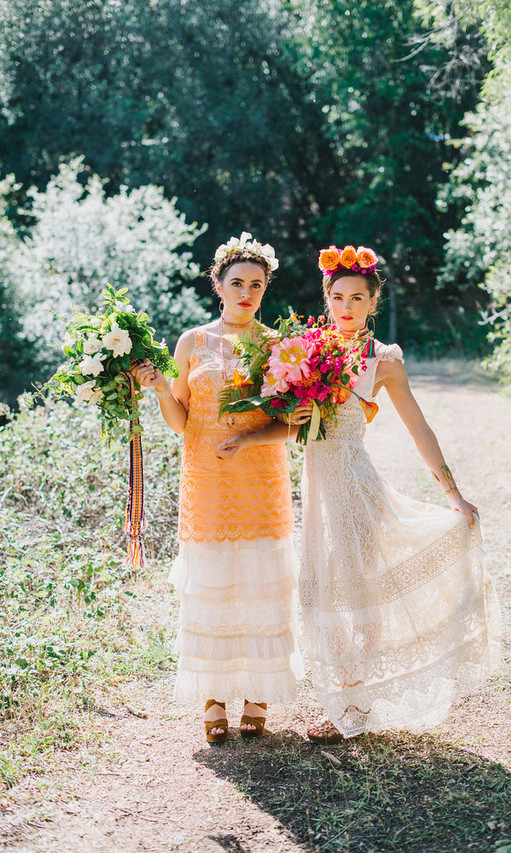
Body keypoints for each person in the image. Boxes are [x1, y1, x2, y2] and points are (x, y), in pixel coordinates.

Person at [299, 244, 501, 743]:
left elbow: (419, 428)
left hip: (352, 481)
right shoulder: (305, 351)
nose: (347, 307)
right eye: (338, 297)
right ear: (326, 299)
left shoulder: (382, 359)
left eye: (358, 298)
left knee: (354, 590)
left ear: (374, 302)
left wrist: (453, 493)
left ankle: (354, 704)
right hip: (314, 486)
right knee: (321, 588)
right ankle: (346, 696)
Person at [131, 232, 308, 744]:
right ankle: (212, 696)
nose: (246, 293)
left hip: (261, 477)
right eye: (237, 283)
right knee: (212, 581)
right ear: (219, 285)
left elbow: (292, 425)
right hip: (206, 478)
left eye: (256, 284)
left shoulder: (280, 346)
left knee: (260, 579)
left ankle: (257, 692)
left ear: (266, 288)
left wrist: (252, 439)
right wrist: (160, 388)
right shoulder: (192, 342)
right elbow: (181, 421)